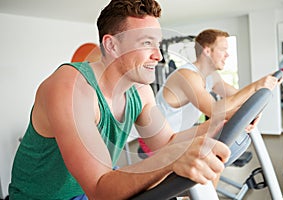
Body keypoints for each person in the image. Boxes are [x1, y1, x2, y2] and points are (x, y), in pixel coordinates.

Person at [8, 1, 231, 199]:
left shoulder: (140, 91)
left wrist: (219, 124)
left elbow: (166, 141)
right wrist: (170, 159)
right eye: (146, 43)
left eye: (158, 43)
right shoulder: (71, 88)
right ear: (112, 45)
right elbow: (99, 188)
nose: (159, 55)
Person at [138, 28, 281, 198]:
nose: (227, 55)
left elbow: (238, 96)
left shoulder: (211, 77)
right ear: (207, 50)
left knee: (215, 152)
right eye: (223, 49)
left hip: (179, 137)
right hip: (158, 142)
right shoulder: (187, 75)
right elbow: (215, 110)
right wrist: (256, 86)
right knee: (210, 155)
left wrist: (257, 99)